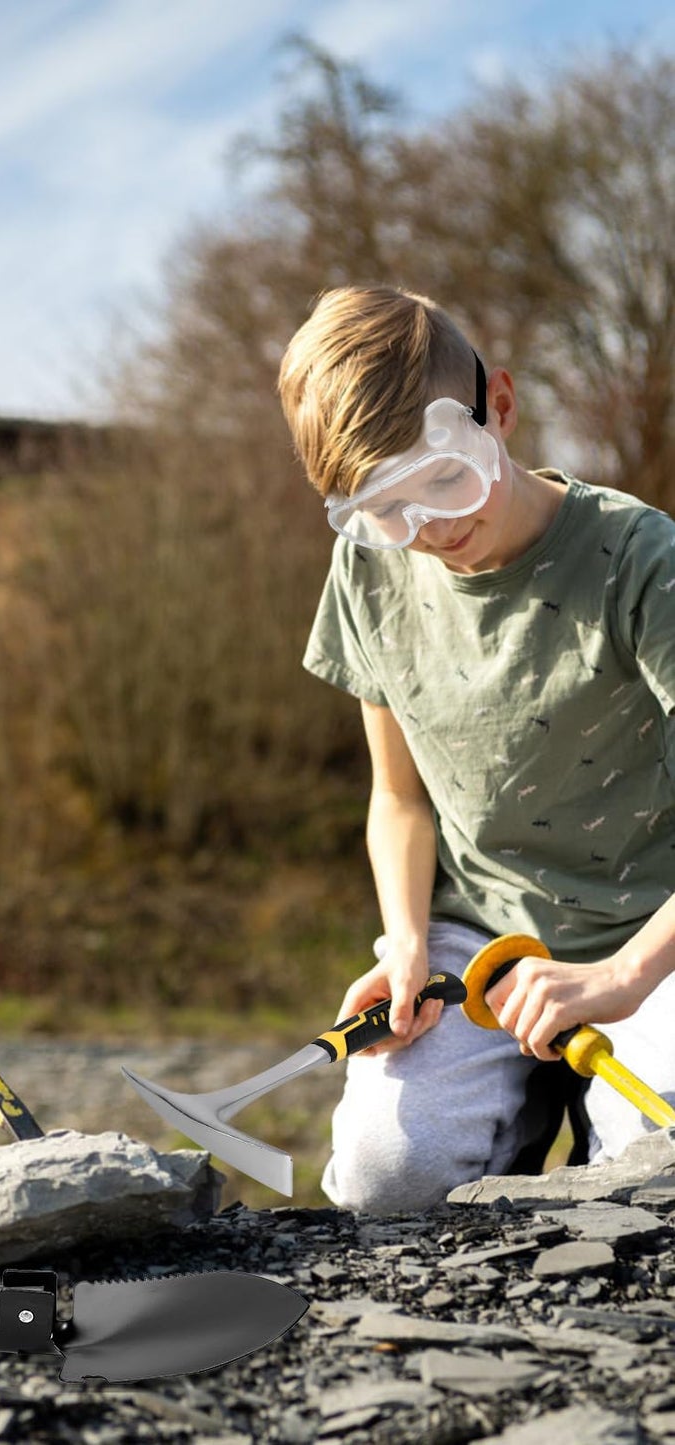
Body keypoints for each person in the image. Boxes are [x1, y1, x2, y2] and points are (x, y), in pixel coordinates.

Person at [279, 283, 675, 1213]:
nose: (430, 529)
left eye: (445, 479)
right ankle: (517, 1116)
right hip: (480, 941)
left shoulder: (638, 558)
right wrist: (408, 946)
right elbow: (398, 799)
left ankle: (594, 1121)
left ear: (497, 405)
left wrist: (623, 976)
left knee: (648, 1175)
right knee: (386, 1177)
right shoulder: (368, 570)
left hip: (650, 935)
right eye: (385, 507)